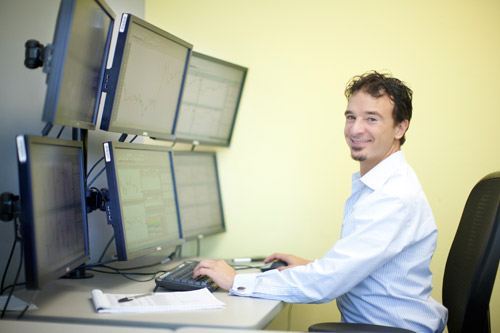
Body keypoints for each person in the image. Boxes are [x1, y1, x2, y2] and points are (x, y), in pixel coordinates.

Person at [193, 71, 448, 333]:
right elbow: (358, 266)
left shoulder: (392, 196)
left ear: (400, 127)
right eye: (351, 117)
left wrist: (236, 280)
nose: (355, 129)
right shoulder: (379, 182)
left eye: (371, 119)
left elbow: (325, 285)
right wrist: (313, 267)